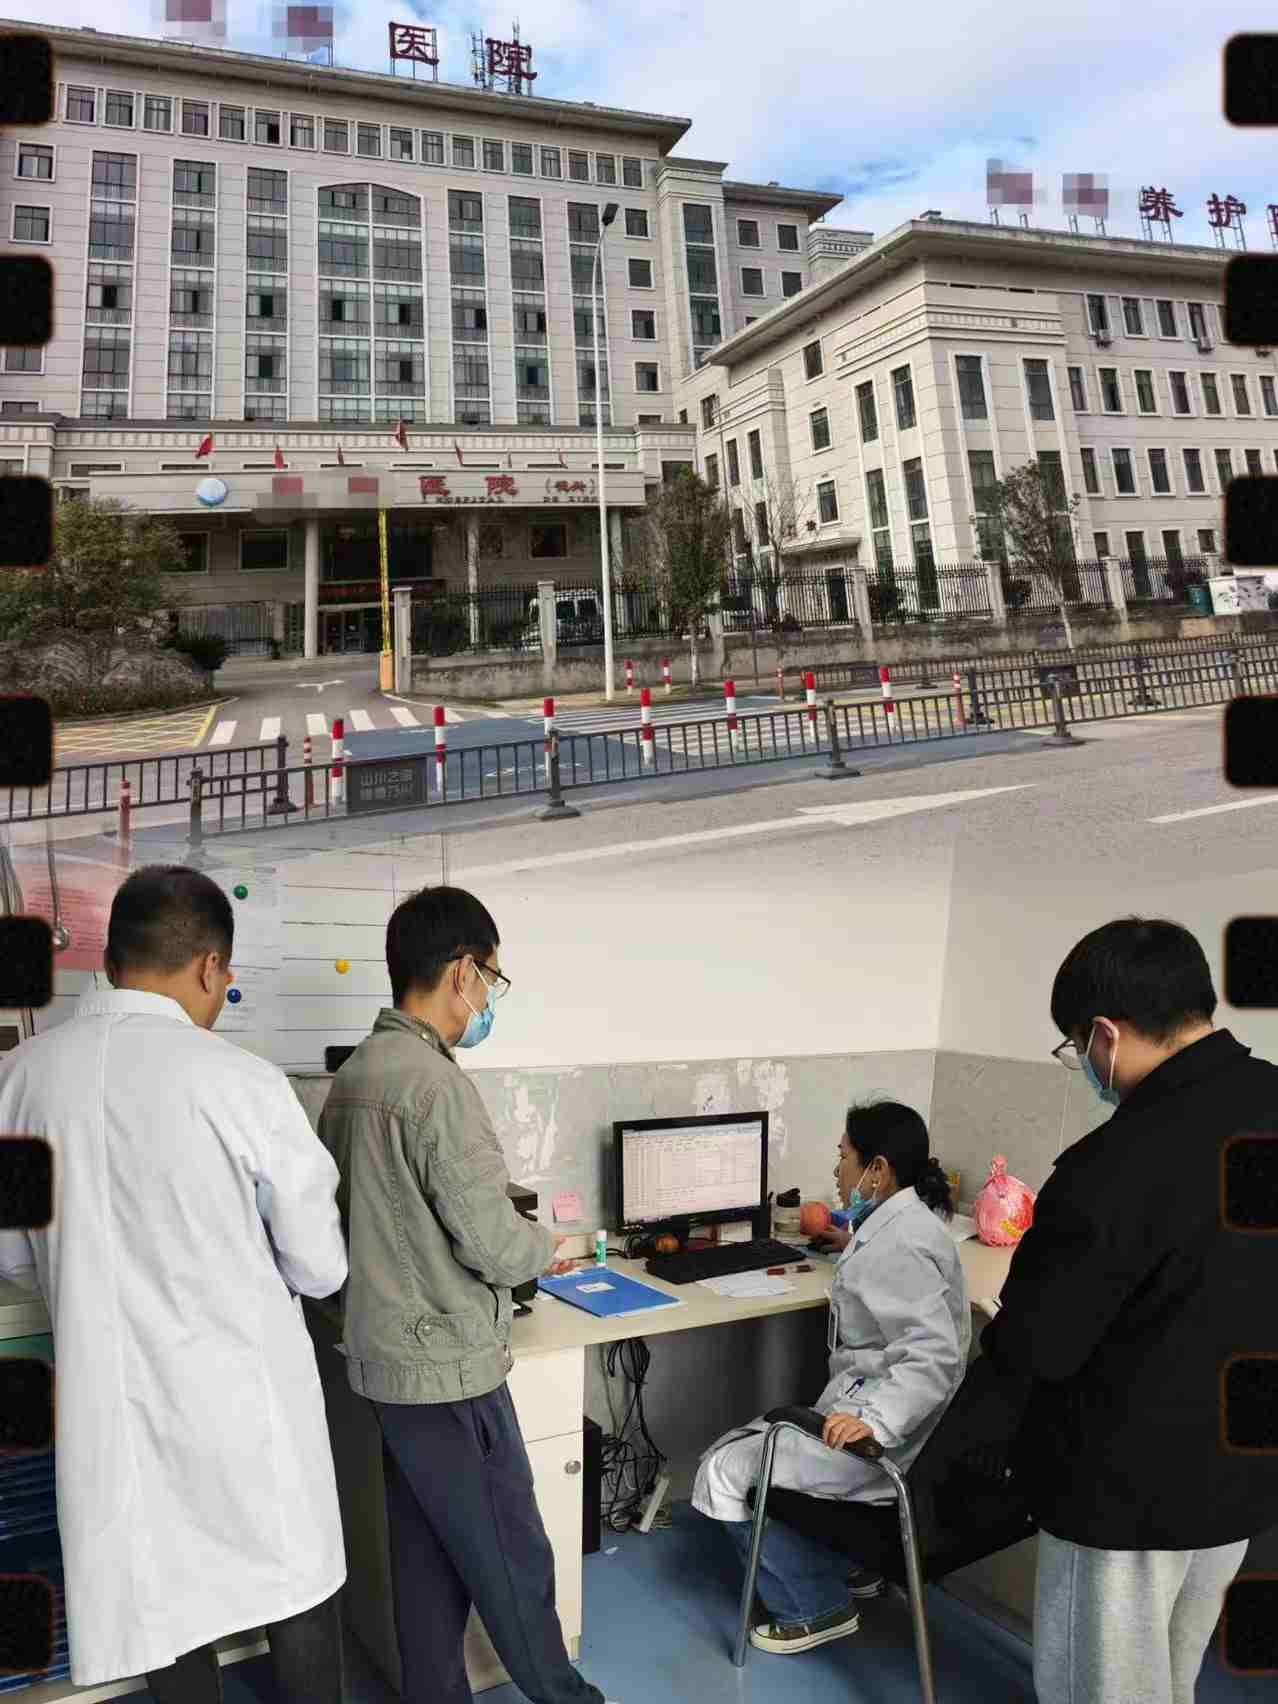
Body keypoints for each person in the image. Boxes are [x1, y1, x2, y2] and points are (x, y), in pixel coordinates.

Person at [0, 865, 348, 1700]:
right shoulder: (243, 1083)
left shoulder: (20, 1082)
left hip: (115, 1416)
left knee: (160, 1605)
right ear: (209, 967)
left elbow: (13, 1257)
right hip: (247, 1409)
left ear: (111, 960)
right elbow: (319, 1265)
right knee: (294, 1585)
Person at [318, 886, 619, 1704]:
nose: (488, 999)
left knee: (424, 1567)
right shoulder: (435, 1087)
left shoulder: (353, 1078)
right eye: (492, 980)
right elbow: (492, 1242)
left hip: (383, 1369)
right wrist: (549, 1248)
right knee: (514, 1562)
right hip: (447, 1372)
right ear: (462, 973)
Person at [981, 917, 1278, 1704]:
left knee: (1105, 1687)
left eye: (1077, 1044)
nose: (1084, 1062)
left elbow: (1040, 1347)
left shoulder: (1113, 1163)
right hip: (1243, 1471)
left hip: (1125, 1490)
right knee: (1171, 1674)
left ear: (1106, 1035)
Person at [692, 1100, 970, 1655]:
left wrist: (874, 1425)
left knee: (722, 1467)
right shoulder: (906, 1225)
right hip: (896, 1420)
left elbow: (933, 1357)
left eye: (844, 1157)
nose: (837, 1170)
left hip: (877, 1438)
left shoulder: (900, 1246)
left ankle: (814, 1607)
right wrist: (853, 1248)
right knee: (763, 1440)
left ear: (878, 1170)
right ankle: (847, 1567)